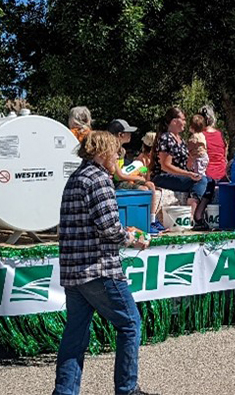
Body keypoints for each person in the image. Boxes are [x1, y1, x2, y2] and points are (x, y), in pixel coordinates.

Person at [53, 131, 153, 395]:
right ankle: (127, 389)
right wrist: (133, 238)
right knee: (130, 324)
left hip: (73, 270)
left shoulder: (75, 178)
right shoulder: (98, 179)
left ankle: (64, 391)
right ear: (103, 152)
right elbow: (109, 229)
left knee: (75, 335)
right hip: (99, 268)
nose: (118, 158)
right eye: (116, 153)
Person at [151, 107, 215, 231]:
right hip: (163, 176)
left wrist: (194, 158)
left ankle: (199, 215)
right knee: (201, 181)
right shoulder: (166, 138)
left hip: (179, 175)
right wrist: (188, 174)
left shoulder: (181, 140)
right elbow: (166, 166)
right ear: (174, 121)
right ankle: (191, 216)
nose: (185, 122)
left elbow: (186, 163)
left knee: (210, 181)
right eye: (183, 119)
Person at [107, 119, 164, 234]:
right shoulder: (113, 151)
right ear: (120, 135)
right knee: (144, 189)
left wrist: (143, 173)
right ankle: (142, 222)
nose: (130, 135)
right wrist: (138, 178)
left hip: (125, 178)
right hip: (117, 182)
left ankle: (152, 220)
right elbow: (119, 176)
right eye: (128, 132)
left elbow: (133, 168)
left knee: (150, 185)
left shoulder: (122, 151)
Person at [200, 105, 227, 181]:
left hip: (206, 176)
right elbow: (224, 155)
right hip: (222, 175)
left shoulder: (198, 136)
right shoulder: (220, 135)